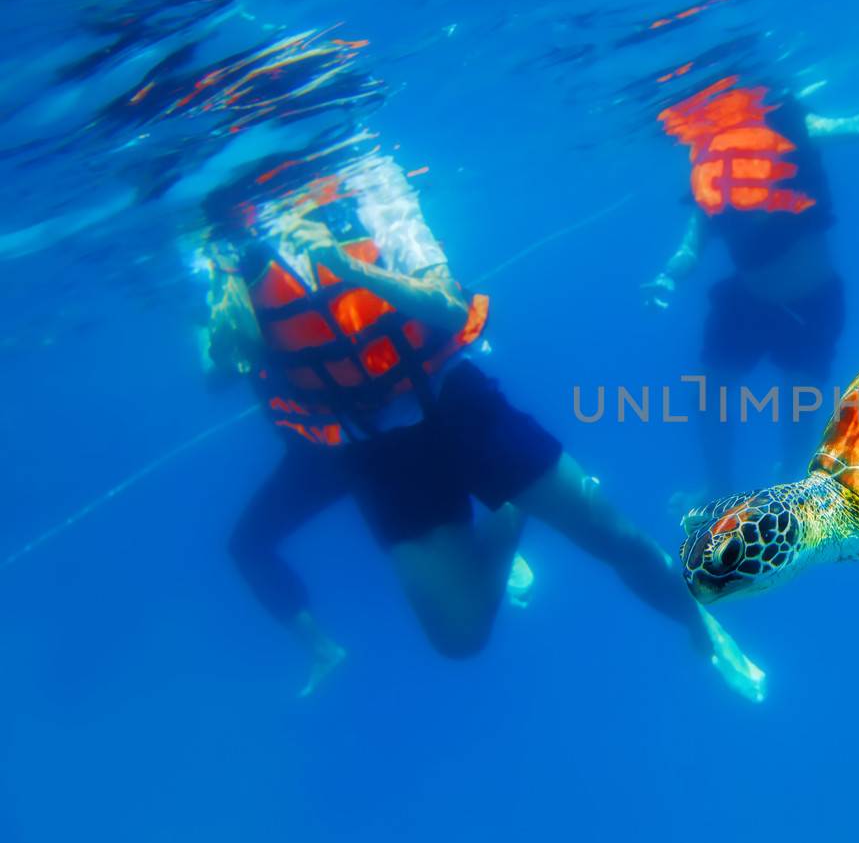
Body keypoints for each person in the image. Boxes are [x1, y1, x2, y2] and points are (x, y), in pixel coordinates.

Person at [200, 133, 765, 700]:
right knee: (458, 638)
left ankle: (701, 625)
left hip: (456, 406)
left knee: (613, 537)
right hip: (372, 451)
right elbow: (218, 368)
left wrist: (349, 268)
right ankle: (510, 513)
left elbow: (448, 308)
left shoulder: (365, 189)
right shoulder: (224, 247)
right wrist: (224, 345)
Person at [643, 63, 859, 498]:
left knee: (799, 411)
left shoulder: (789, 125)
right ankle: (717, 488)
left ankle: (789, 487)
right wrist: (667, 277)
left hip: (812, 303)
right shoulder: (712, 164)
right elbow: (691, 245)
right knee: (710, 391)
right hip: (747, 302)